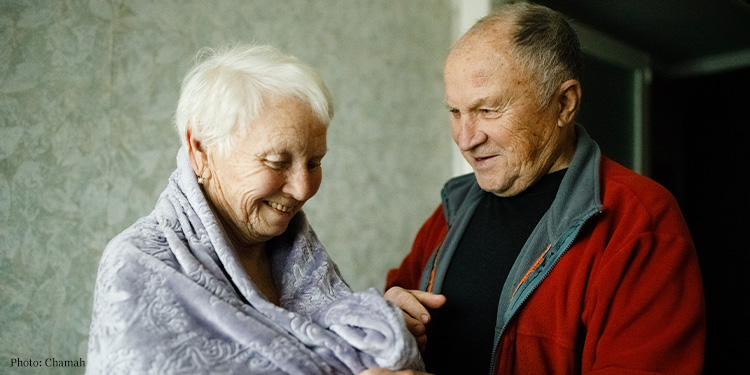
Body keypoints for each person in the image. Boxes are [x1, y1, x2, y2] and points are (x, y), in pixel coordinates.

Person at [363, 2, 705, 375]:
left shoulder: (641, 221)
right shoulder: (450, 211)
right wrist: (386, 321)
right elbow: (390, 316)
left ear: (564, 103)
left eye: (488, 110)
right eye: (455, 112)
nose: (465, 138)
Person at [86, 44, 423, 375]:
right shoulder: (138, 264)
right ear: (200, 149)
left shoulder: (299, 255)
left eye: (315, 162)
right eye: (277, 161)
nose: (303, 189)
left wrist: (379, 318)